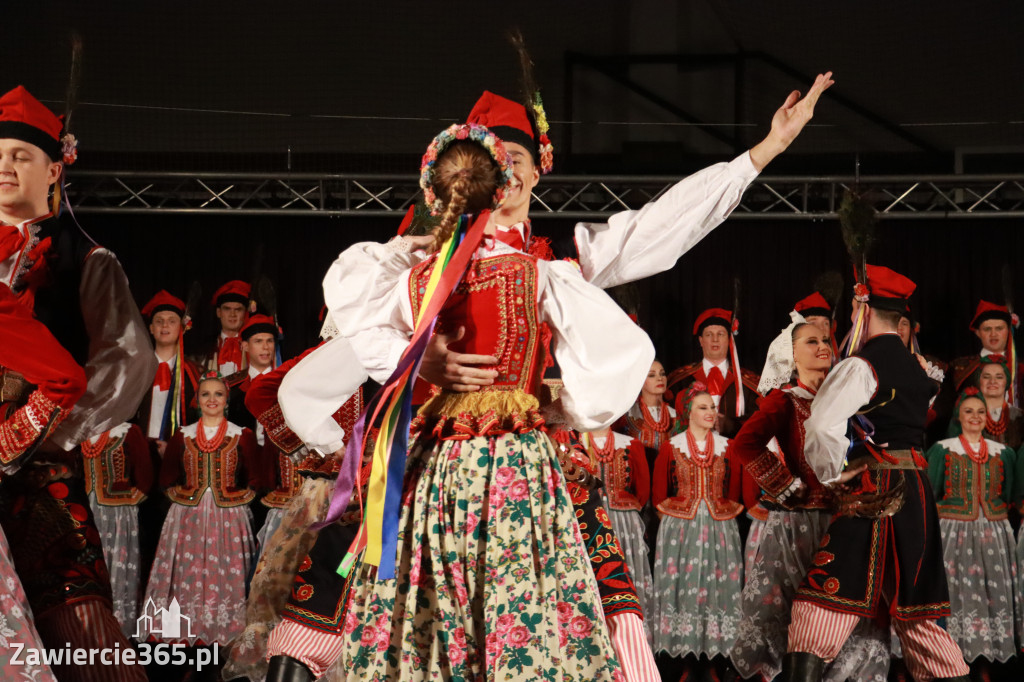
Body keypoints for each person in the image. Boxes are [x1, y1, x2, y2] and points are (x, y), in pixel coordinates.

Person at [268, 120, 655, 681]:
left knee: (427, 597)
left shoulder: (419, 280)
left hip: (435, 466)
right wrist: (561, 406)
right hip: (512, 463)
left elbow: (349, 298)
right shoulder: (538, 275)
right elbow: (626, 351)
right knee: (519, 599)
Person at [420, 73, 835, 393]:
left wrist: (767, 149)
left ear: (535, 172)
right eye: (493, 162)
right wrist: (418, 358)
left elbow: (665, 222)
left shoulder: (563, 261)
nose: (505, 171)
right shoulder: (431, 257)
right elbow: (366, 326)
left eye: (515, 158)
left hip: (529, 442)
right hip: (447, 438)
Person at [0, 84, 152, 682]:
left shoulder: (83, 258)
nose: (5, 166)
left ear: (54, 167)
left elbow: (127, 359)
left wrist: (35, 436)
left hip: (39, 475)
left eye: (21, 155)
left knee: (78, 626)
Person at [782, 264, 970, 682]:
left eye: (852, 311)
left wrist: (835, 475)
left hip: (875, 489)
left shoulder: (863, 366)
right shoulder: (919, 369)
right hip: (916, 491)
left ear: (861, 311)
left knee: (820, 602)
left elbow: (821, 424)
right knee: (917, 612)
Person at [728, 313, 889, 682]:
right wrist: (785, 485)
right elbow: (744, 444)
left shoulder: (852, 399)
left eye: (826, 341)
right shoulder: (785, 400)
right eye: (811, 342)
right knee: (787, 613)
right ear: (791, 355)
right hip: (800, 526)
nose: (822, 347)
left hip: (849, 523)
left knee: (848, 612)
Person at [142, 371, 261, 651]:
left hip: (229, 516)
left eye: (218, 394)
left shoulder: (240, 434)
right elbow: (167, 477)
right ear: (197, 400)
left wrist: (243, 499)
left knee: (227, 569)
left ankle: (224, 629)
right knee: (189, 571)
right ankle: (186, 630)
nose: (212, 399)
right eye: (206, 394)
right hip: (188, 516)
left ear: (226, 400)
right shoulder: (182, 435)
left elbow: (256, 477)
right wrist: (178, 500)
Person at [925, 390, 1021, 677]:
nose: (976, 416)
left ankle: (984, 659)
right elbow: (931, 491)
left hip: (993, 531)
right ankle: (950, 657)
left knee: (988, 593)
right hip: (954, 531)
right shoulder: (944, 449)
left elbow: (1010, 491)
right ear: (959, 416)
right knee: (956, 592)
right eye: (969, 411)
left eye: (980, 411)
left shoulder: (1003, 452)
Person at [652, 385, 744, 681]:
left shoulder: (727, 447)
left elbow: (734, 488)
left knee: (717, 588)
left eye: (712, 408)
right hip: (682, 527)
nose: (710, 413)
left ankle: (715, 659)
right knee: (686, 586)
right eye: (703, 407)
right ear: (688, 412)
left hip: (718, 526)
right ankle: (686, 660)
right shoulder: (672, 445)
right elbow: (658, 492)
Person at [581, 425, 654, 642]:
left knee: (629, 573)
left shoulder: (631, 445)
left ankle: (634, 640)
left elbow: (642, 490)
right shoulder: (577, 443)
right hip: (589, 518)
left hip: (625, 522)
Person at [81, 421, 154, 638]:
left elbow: (145, 476)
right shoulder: (81, 431)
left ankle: (120, 628)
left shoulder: (127, 431)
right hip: (88, 511)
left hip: (118, 514)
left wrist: (130, 503)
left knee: (118, 567)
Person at [666, 308, 761, 438]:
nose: (715, 339)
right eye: (709, 334)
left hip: (734, 452)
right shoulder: (679, 381)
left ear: (729, 340)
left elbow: (760, 422)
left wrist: (732, 425)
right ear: (701, 341)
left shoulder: (749, 383)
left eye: (720, 334)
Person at [136, 290, 200, 455]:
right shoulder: (137, 370)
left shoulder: (194, 373)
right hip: (141, 451)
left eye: (172, 321)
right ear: (151, 328)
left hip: (179, 453)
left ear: (182, 328)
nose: (164, 325)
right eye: (159, 321)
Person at [202, 280, 251, 375]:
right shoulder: (204, 348)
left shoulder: (253, 347)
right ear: (218, 312)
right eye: (227, 309)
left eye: (238, 309)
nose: (232, 314)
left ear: (245, 313)